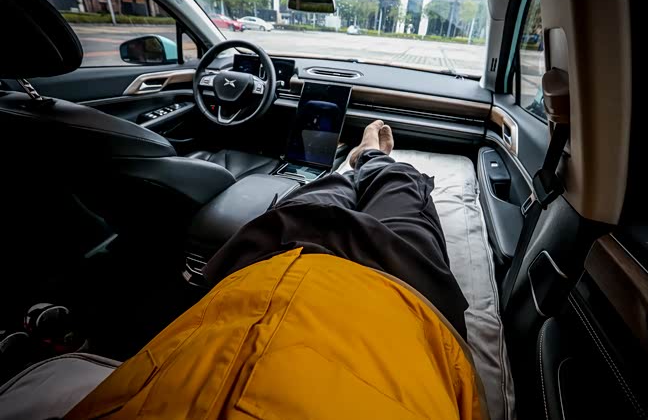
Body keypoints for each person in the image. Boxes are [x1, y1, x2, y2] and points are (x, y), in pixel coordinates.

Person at [65, 121, 487, 420]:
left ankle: (354, 165)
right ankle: (373, 159)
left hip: (269, 268)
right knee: (399, 188)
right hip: (400, 296)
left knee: (322, 190)